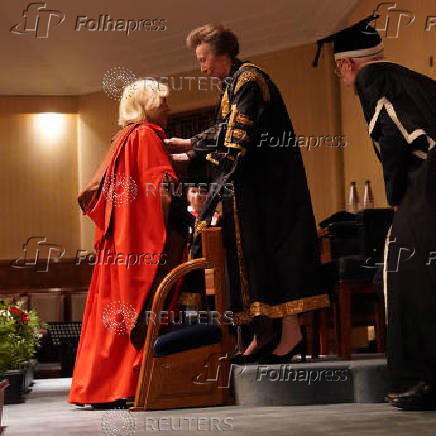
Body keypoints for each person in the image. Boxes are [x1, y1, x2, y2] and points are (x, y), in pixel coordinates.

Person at [166, 24, 330, 364]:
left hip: (272, 189)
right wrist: (189, 147)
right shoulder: (233, 85)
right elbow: (225, 130)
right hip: (252, 192)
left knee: (276, 257)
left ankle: (290, 335)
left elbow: (237, 138)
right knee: (252, 260)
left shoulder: (250, 80)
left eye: (204, 59)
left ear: (222, 53)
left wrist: (195, 158)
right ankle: (263, 334)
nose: (202, 68)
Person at [314, 15, 436, 410]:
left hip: (428, 182)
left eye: (340, 71)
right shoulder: (407, 76)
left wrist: (396, 195)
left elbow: (391, 137)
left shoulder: (372, 81)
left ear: (346, 64)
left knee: (405, 269)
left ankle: (420, 381)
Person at [69, 79, 192, 407]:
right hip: (138, 245)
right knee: (136, 311)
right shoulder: (146, 136)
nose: (169, 107)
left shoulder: (122, 138)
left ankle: (98, 388)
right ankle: (125, 385)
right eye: (162, 101)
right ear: (145, 104)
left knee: (109, 314)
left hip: (119, 246)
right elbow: (160, 193)